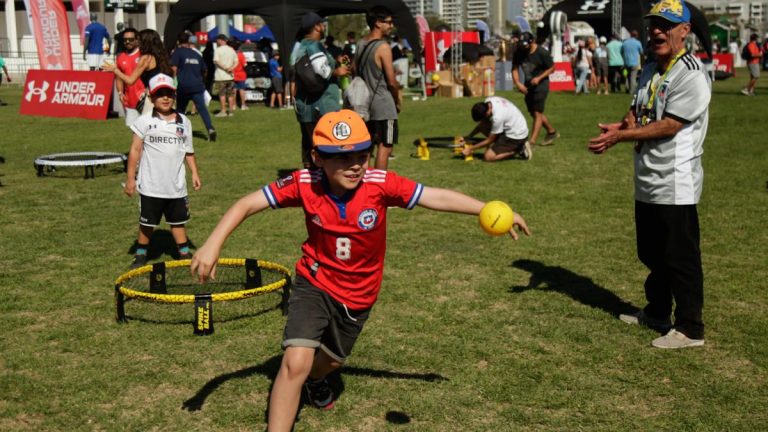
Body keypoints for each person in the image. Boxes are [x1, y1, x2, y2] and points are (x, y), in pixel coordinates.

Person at [189, 109, 531, 431]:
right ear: (317, 156)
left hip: (359, 294)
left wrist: (485, 208)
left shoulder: (379, 184)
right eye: (342, 156)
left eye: (361, 155)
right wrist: (213, 243)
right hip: (314, 280)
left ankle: (318, 380)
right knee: (296, 363)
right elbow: (248, 203)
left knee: (331, 363)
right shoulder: (305, 182)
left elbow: (434, 197)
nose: (355, 165)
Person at [587, 0, 710, 349]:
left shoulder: (691, 73)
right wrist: (620, 125)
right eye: (653, 24)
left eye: (665, 25)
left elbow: (671, 124)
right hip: (647, 178)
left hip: (676, 179)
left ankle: (690, 328)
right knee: (651, 253)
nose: (656, 31)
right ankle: (658, 311)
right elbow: (638, 109)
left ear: (684, 30)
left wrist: (621, 137)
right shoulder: (650, 67)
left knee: (680, 257)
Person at [124, 73, 201, 269]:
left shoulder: (184, 121)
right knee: (148, 223)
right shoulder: (144, 121)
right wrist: (131, 178)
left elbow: (188, 151)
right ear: (151, 98)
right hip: (151, 185)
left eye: (169, 93)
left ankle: (183, 252)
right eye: (160, 94)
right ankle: (141, 255)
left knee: (178, 221)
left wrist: (194, 173)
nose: (165, 98)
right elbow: (135, 150)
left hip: (176, 185)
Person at [293, 12, 349, 168]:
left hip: (304, 106)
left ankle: (309, 182)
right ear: (317, 26)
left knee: (309, 144)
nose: (324, 26)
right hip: (322, 105)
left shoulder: (299, 46)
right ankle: (324, 183)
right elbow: (322, 71)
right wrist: (338, 71)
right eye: (322, 24)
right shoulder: (315, 45)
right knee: (327, 146)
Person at [357, 5, 400, 170]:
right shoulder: (383, 47)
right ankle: (378, 185)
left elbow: (353, 69)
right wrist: (397, 101)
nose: (391, 26)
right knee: (385, 145)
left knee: (368, 147)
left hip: (365, 103)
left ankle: (364, 182)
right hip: (383, 103)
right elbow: (391, 82)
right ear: (377, 23)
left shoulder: (361, 44)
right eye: (388, 22)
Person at [102, 29, 173, 116]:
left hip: (153, 99)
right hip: (167, 97)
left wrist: (115, 70)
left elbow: (130, 81)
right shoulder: (162, 56)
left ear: (146, 41)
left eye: (139, 39)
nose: (138, 42)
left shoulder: (146, 58)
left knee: (141, 128)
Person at [512, 32, 559, 147]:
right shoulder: (519, 51)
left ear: (532, 42)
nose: (524, 47)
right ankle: (551, 132)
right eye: (522, 45)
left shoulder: (542, 52)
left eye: (526, 45)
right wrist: (518, 84)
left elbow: (552, 67)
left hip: (541, 84)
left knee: (537, 112)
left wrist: (539, 78)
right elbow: (514, 68)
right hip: (528, 85)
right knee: (533, 112)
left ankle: (531, 142)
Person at [171, 32, 217, 142]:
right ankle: (210, 128)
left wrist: (173, 81)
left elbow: (173, 68)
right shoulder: (196, 54)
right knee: (202, 109)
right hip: (197, 86)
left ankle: (179, 132)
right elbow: (205, 70)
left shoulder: (177, 52)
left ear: (178, 42)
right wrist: (200, 79)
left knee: (180, 110)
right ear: (189, 42)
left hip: (183, 85)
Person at [460, 97, 532, 162]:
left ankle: (518, 149)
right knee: (484, 125)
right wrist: (469, 137)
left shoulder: (497, 117)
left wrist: (470, 148)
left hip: (516, 136)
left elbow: (489, 140)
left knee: (488, 157)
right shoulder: (489, 100)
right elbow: (481, 125)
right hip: (515, 127)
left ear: (487, 113)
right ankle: (509, 146)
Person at [114, 27, 145, 127]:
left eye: (131, 39)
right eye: (125, 40)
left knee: (148, 131)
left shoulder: (144, 55)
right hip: (129, 101)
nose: (127, 42)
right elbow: (118, 78)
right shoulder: (120, 57)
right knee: (134, 131)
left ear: (137, 40)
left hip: (145, 100)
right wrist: (120, 92)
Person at [213, 34, 238, 117]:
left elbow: (216, 61)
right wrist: (231, 68)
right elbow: (236, 62)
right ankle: (230, 111)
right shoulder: (232, 50)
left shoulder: (218, 50)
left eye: (217, 40)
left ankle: (223, 111)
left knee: (222, 94)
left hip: (220, 76)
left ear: (220, 40)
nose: (217, 42)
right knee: (230, 94)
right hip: (230, 76)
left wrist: (225, 68)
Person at [621, 30, 644, 94]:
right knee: (633, 77)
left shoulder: (625, 42)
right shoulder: (638, 43)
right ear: (636, 36)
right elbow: (641, 52)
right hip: (635, 63)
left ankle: (627, 88)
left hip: (626, 62)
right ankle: (631, 91)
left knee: (627, 76)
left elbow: (621, 51)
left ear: (630, 35)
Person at [231, 38, 249, 111]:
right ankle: (243, 105)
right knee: (242, 90)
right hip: (241, 74)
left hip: (233, 74)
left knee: (234, 90)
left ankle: (234, 105)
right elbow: (245, 65)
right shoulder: (241, 55)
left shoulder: (232, 55)